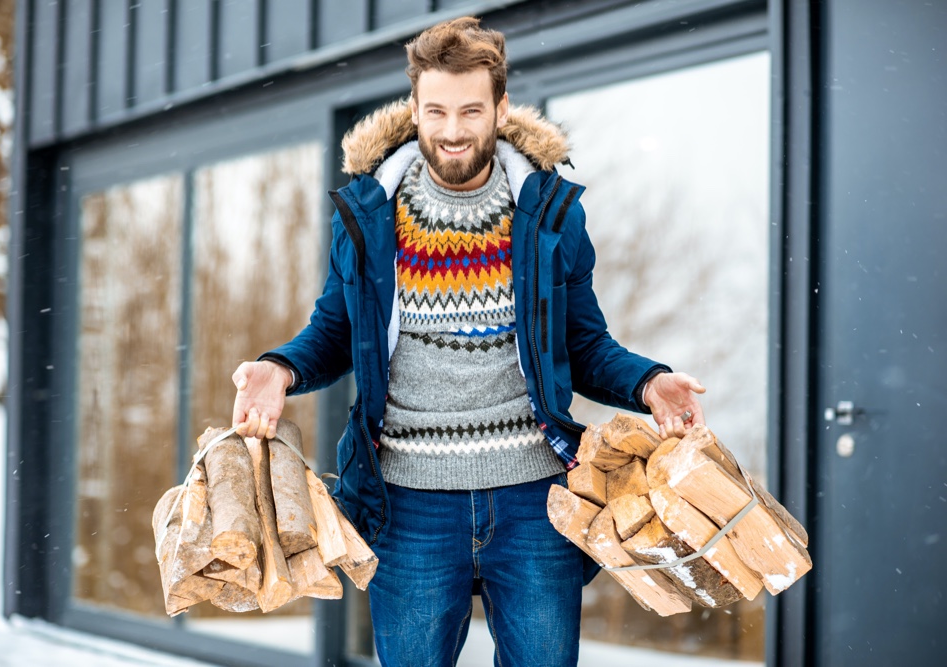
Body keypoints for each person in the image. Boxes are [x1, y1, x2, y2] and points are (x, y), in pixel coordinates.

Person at [231, 16, 705, 666]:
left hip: (536, 501)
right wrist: (278, 368)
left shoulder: (549, 216)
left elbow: (585, 345)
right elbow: (336, 331)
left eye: (471, 111)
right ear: (416, 107)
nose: (453, 131)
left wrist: (650, 380)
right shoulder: (368, 215)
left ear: (500, 107)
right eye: (437, 111)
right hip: (407, 503)